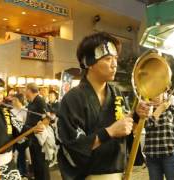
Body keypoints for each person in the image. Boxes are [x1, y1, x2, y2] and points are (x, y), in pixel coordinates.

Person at [57, 32, 134, 180]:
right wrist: (110, 132)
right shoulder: (72, 98)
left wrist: (136, 115)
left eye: (115, 58)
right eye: (107, 59)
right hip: (89, 176)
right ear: (89, 63)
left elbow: (125, 128)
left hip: (119, 172)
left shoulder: (116, 93)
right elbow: (73, 145)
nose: (114, 64)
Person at [136, 92, 174, 180]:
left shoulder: (171, 109)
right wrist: (159, 110)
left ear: (164, 94)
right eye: (155, 93)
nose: (157, 96)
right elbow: (148, 125)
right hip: (152, 156)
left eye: (160, 93)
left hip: (170, 155)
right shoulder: (146, 109)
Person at [24, 83, 50, 180]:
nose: (24, 92)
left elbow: (47, 118)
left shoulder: (40, 100)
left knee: (41, 162)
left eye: (25, 90)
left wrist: (39, 127)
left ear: (29, 90)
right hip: (32, 136)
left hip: (39, 138)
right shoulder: (31, 102)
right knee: (35, 162)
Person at [11, 93, 28, 177]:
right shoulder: (11, 111)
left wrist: (24, 135)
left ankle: (22, 172)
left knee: (21, 155)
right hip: (12, 137)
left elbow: (26, 124)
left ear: (20, 101)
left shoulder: (25, 111)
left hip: (22, 136)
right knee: (12, 154)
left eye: (15, 100)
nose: (13, 102)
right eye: (13, 100)